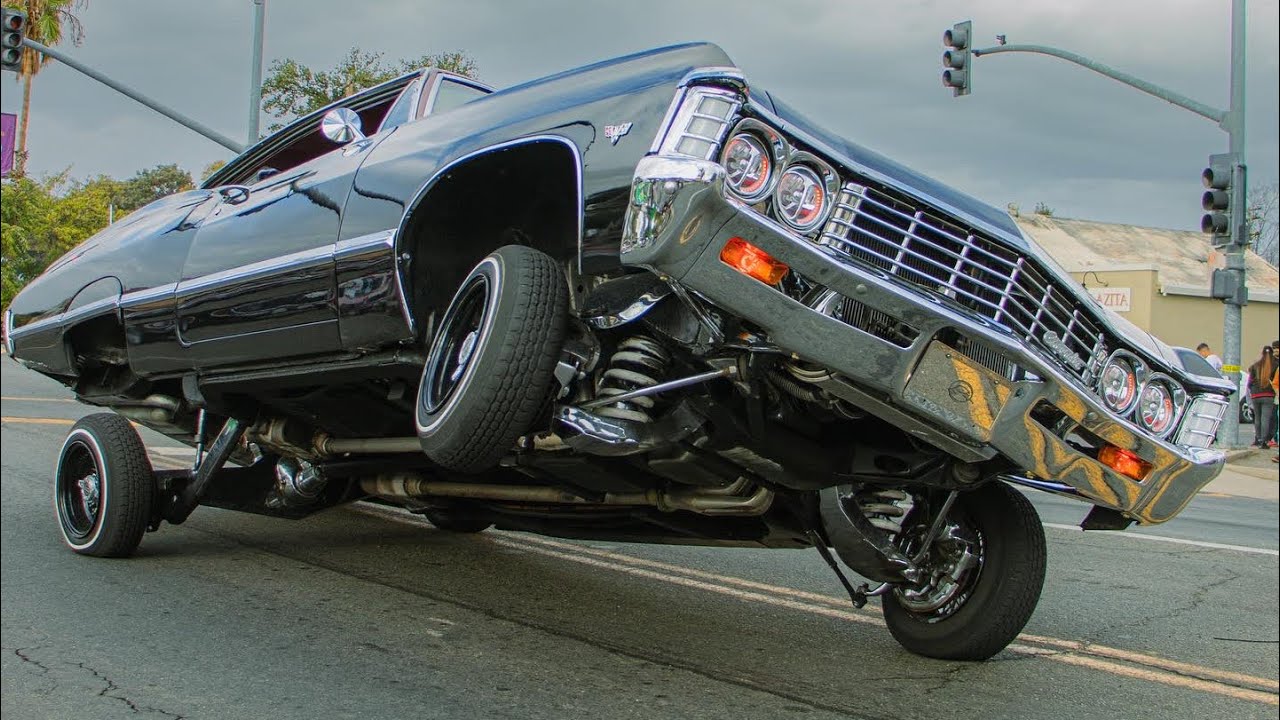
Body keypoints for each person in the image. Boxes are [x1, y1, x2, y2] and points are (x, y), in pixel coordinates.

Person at [1244, 345, 1276, 448]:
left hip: (1255, 394)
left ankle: (1258, 439)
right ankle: (1264, 441)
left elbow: (1249, 383)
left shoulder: (1255, 366)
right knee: (1265, 418)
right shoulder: (1276, 365)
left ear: (1262, 353)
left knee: (1257, 418)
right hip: (1269, 395)